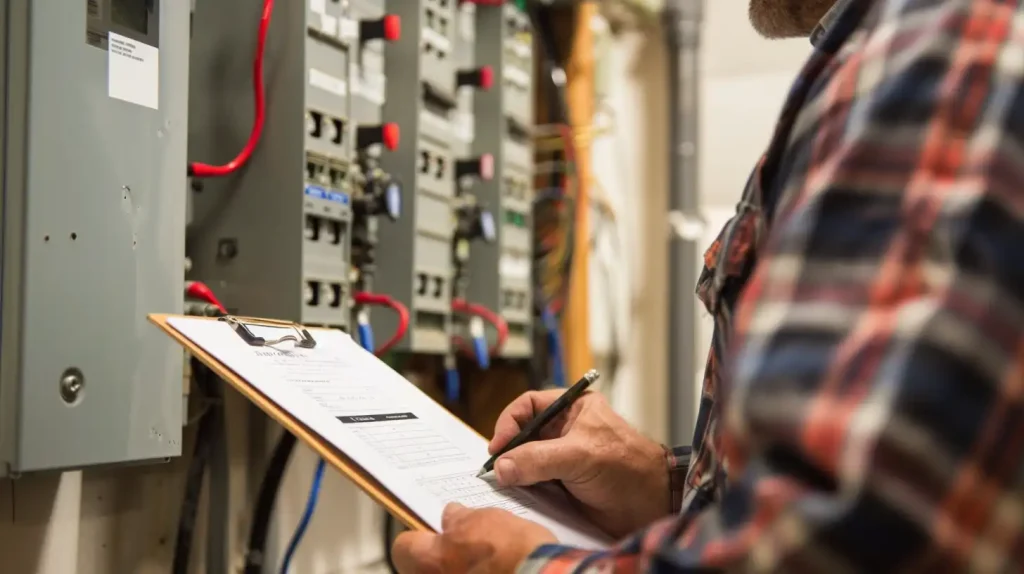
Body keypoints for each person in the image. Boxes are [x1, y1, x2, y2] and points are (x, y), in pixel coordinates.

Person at [394, 0, 1024, 570]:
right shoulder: (882, 61)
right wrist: (662, 486)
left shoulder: (941, 49)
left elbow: (846, 541)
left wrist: (532, 569)